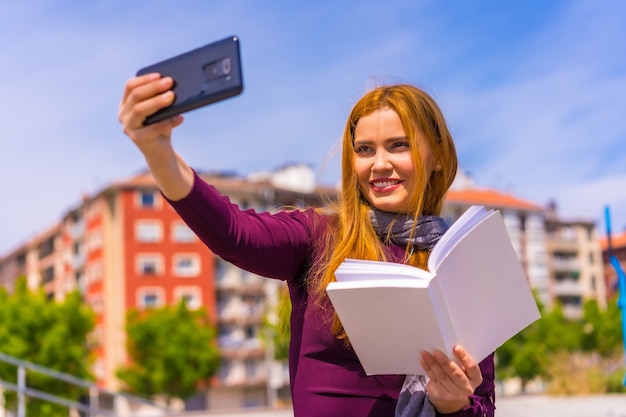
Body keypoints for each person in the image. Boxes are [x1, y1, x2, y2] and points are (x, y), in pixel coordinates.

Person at [118, 73, 496, 417]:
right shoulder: (318, 236)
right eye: (364, 150)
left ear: (437, 158)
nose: (379, 163)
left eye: (399, 145)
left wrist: (452, 404)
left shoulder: (463, 265)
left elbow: (484, 405)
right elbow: (234, 232)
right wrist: (159, 152)